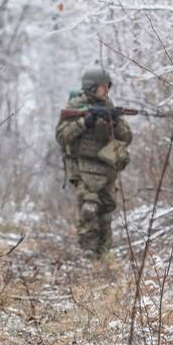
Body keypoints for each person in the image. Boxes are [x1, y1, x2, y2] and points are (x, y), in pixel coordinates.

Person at [55, 68, 132, 259]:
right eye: (102, 87)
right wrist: (84, 123)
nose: (106, 91)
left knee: (106, 210)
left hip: (106, 168)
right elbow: (62, 136)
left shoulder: (109, 105)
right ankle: (88, 252)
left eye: (107, 87)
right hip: (82, 167)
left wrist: (115, 123)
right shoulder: (76, 106)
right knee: (89, 208)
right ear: (91, 87)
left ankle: (103, 253)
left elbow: (127, 136)